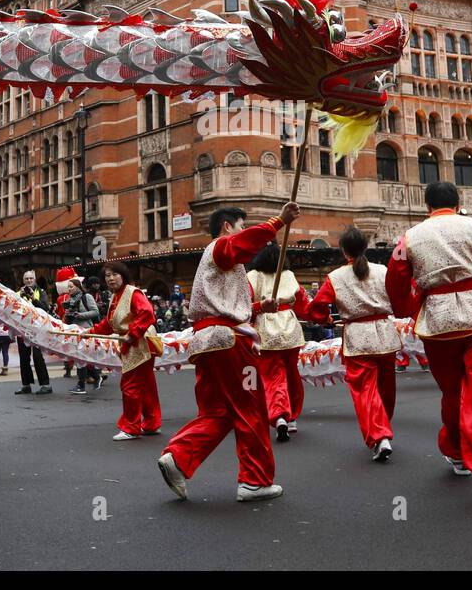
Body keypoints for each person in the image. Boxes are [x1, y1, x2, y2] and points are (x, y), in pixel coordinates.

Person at [158, 200, 300, 503]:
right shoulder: (221, 247)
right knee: (251, 407)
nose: (243, 232)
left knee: (218, 411)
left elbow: (226, 307)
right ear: (227, 227)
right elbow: (240, 247)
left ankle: (179, 457)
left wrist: (261, 306)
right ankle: (254, 480)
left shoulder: (220, 263)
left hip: (210, 342)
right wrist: (279, 222)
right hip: (230, 343)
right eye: (241, 226)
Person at [386, 180, 472, 500]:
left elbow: (396, 279)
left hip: (438, 322)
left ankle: (456, 451)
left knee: (452, 391)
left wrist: (406, 310)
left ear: (427, 206)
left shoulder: (408, 238)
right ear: (457, 202)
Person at [306, 227, 400, 461]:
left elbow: (317, 308)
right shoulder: (382, 270)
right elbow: (398, 297)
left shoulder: (335, 277)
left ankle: (379, 434)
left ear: (343, 250)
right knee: (386, 387)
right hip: (385, 333)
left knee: (365, 389)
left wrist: (323, 319)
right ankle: (384, 427)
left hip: (358, 336)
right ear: (365, 247)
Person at [88, 261, 162, 440]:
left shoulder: (132, 293)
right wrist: (90, 332)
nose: (111, 279)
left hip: (139, 343)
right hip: (135, 342)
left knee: (130, 385)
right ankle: (151, 422)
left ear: (123, 275)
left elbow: (147, 313)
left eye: (114, 274)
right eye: (107, 276)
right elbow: (110, 323)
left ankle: (131, 427)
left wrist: (133, 333)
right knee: (145, 386)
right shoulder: (117, 296)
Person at [247, 243, 310, 442]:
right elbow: (303, 303)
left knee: (273, 375)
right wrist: (321, 316)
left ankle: (280, 414)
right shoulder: (289, 275)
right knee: (292, 374)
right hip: (290, 328)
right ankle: (291, 416)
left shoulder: (252, 277)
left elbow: (245, 305)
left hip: (266, 328)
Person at [58, 267, 102, 394]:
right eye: (68, 287)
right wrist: (67, 314)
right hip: (74, 331)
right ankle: (93, 379)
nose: (69, 289)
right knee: (80, 358)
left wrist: (80, 315)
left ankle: (82, 384)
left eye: (71, 286)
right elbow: (68, 317)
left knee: (81, 358)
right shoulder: (69, 300)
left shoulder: (86, 296)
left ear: (78, 286)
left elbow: (95, 311)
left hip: (86, 331)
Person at [14, 271, 53, 395]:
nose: (29, 280)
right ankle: (26, 385)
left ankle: (46, 385)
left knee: (37, 356)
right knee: (23, 357)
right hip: (22, 328)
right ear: (23, 280)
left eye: (31, 278)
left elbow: (45, 308)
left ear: (34, 279)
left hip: (37, 329)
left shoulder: (41, 292)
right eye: (27, 278)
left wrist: (32, 298)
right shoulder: (18, 293)